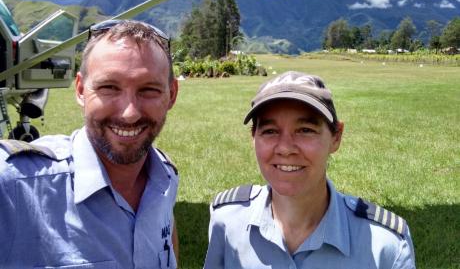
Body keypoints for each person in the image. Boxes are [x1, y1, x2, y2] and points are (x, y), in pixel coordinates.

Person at [0, 20, 180, 268]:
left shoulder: (165, 177)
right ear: (81, 90)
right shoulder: (13, 184)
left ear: (172, 94)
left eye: (149, 90)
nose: (129, 113)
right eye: (109, 87)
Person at [204, 71, 416, 269]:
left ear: (336, 137)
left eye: (305, 130)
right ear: (254, 138)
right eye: (270, 131)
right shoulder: (226, 221)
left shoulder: (387, 246)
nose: (285, 148)